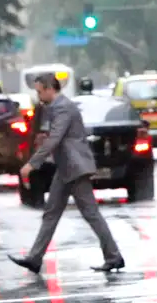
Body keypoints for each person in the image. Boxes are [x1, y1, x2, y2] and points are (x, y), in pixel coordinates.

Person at [9, 73, 125, 274]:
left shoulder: (63, 107)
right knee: (51, 214)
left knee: (90, 214)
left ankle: (114, 256)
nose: (38, 96)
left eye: (39, 92)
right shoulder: (55, 107)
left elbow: (55, 139)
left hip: (75, 167)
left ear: (49, 89)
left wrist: (32, 164)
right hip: (66, 168)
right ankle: (35, 259)